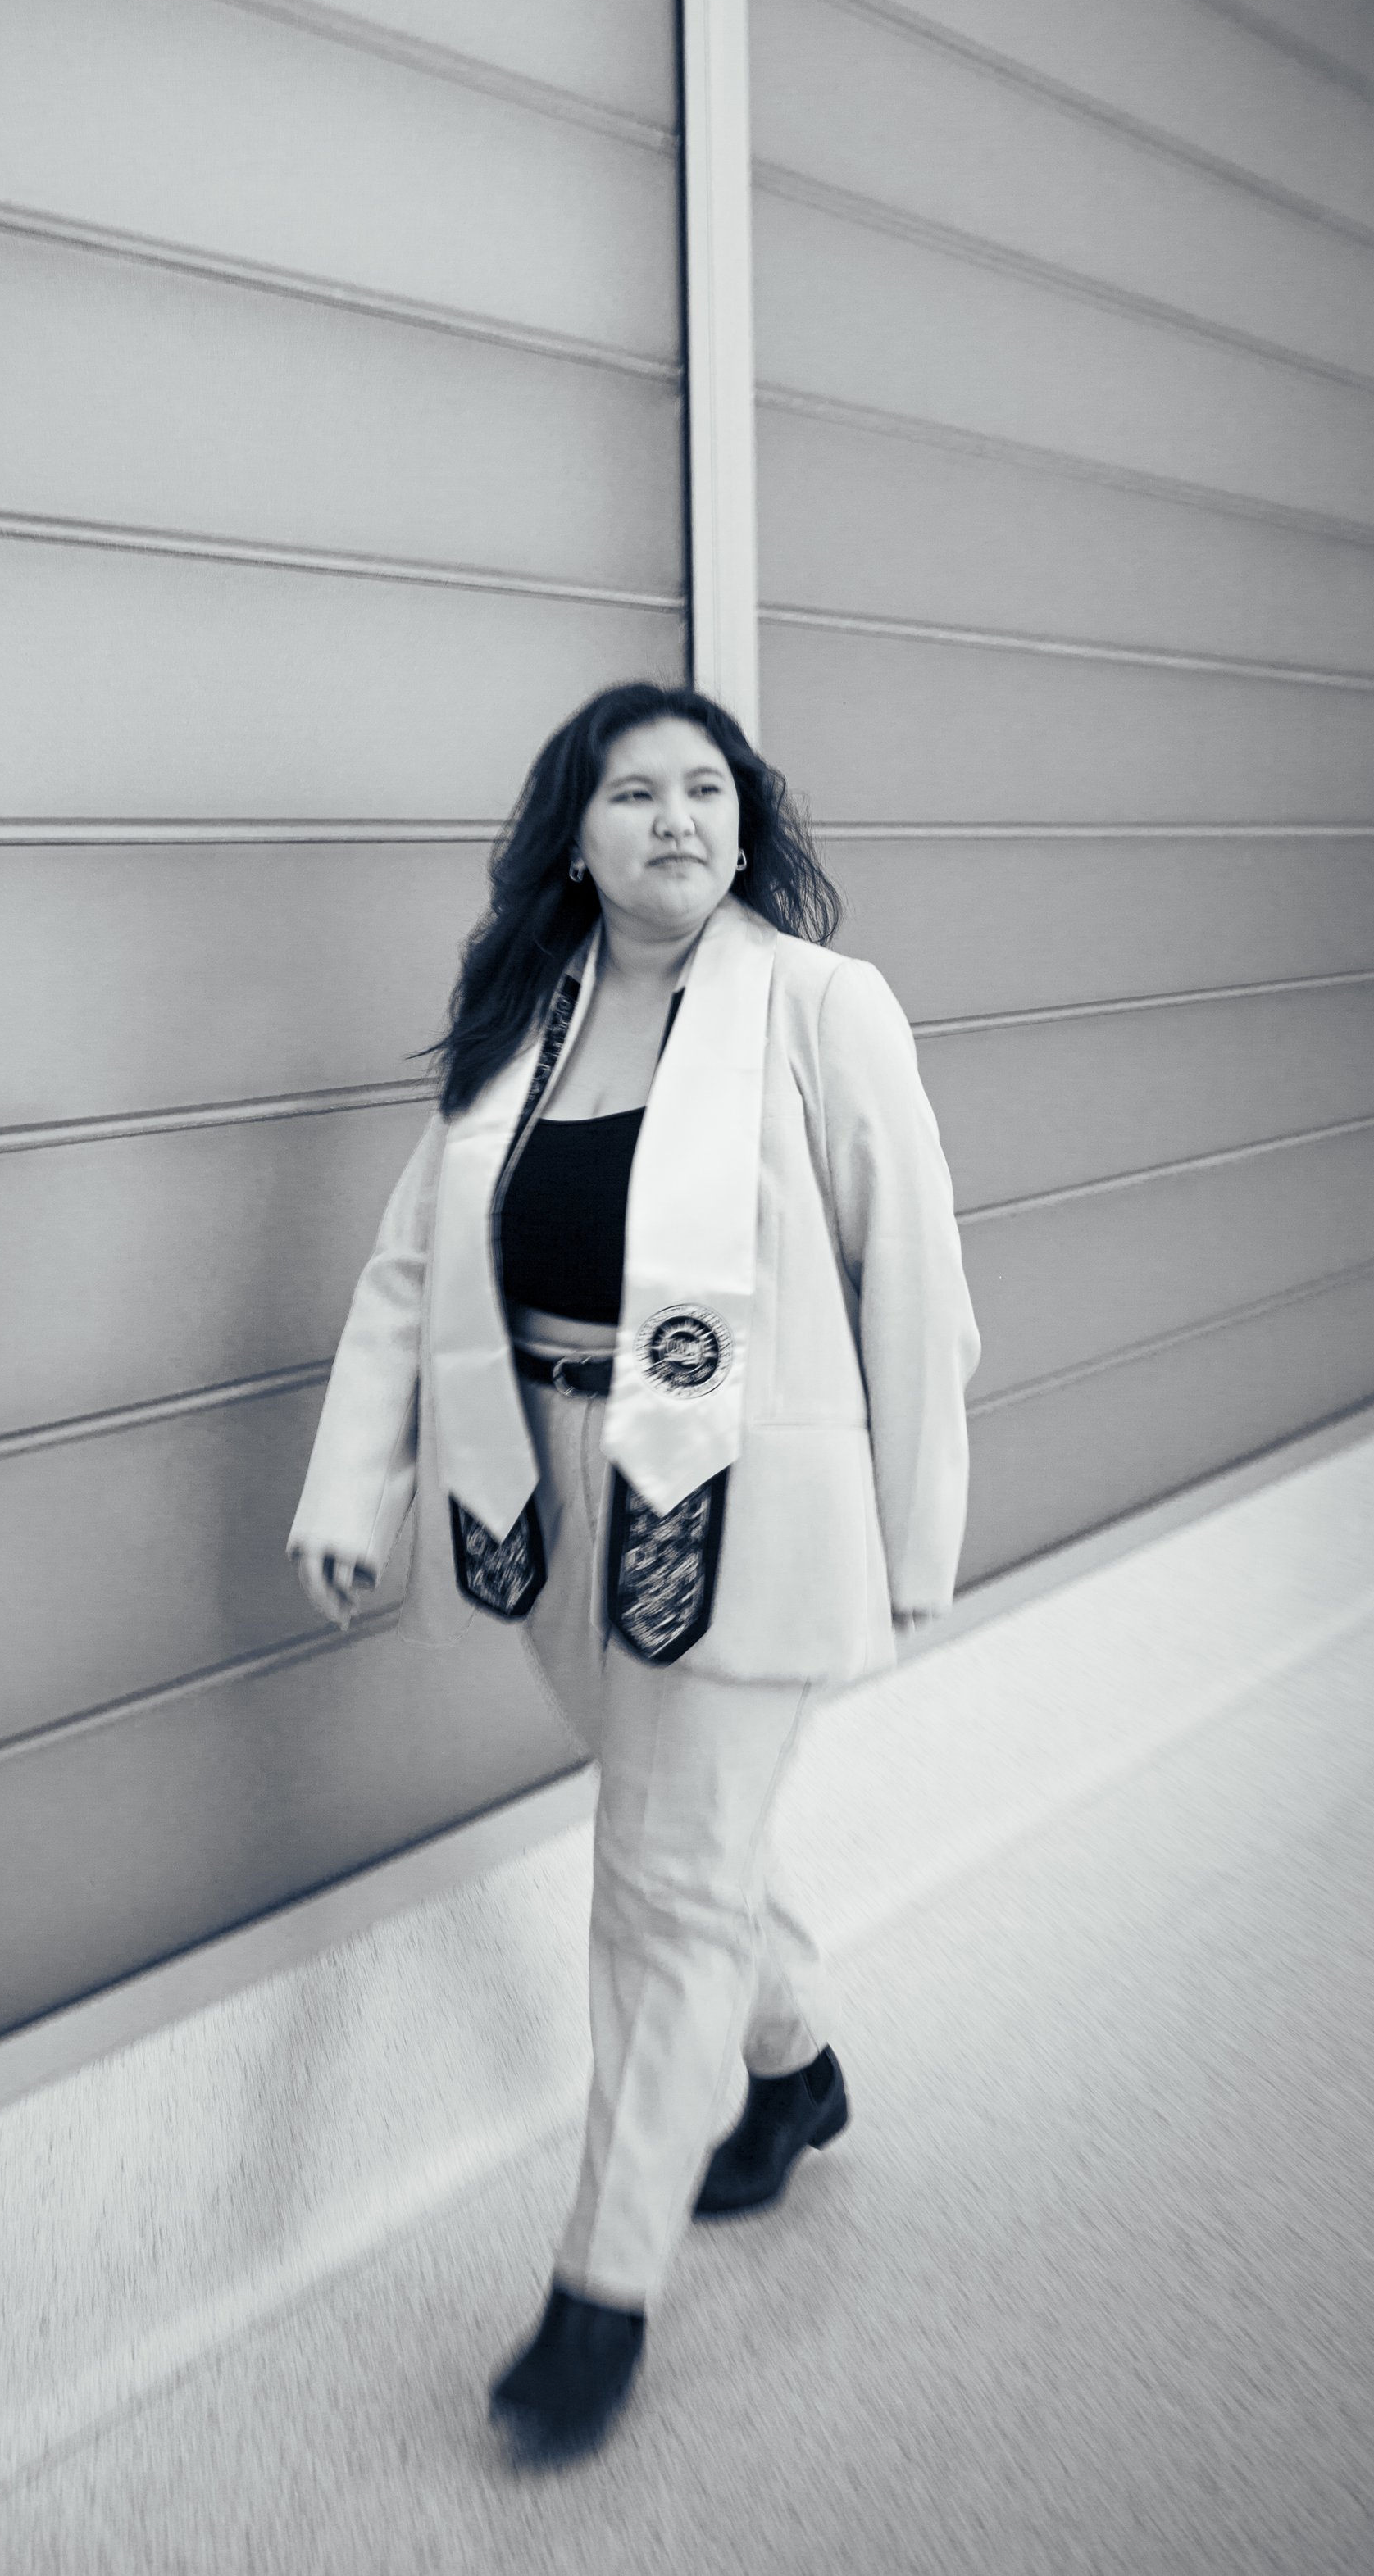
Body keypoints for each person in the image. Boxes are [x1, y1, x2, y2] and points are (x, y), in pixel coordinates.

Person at [287, 679, 980, 2463]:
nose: (675, 818)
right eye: (631, 793)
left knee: (656, 1884)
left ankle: (598, 2293)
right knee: (683, 1841)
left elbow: (914, 1282)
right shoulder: (528, 1020)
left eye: (704, 789)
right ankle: (792, 2067)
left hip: (747, 1496)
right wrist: (351, 1487)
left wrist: (915, 1533)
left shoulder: (819, 1012)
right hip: (549, 1481)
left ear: (739, 825)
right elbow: (406, 1271)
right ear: (571, 839)